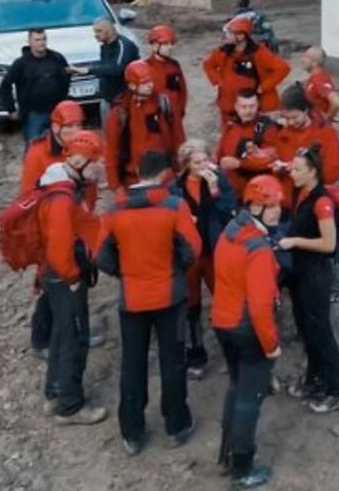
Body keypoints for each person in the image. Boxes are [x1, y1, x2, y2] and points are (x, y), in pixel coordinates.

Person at [98, 150, 201, 456]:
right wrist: (175, 271)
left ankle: (132, 432)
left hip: (133, 297)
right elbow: (192, 248)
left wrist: (125, 273)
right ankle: (176, 425)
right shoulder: (174, 206)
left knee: (133, 363)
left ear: (138, 173)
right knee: (173, 361)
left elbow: (102, 256)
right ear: (164, 174)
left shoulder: (114, 209)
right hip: (170, 296)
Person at [213, 175, 283, 488]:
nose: (277, 211)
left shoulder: (229, 234)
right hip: (247, 328)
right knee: (249, 398)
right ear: (255, 206)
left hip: (223, 322)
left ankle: (226, 453)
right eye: (272, 206)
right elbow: (260, 306)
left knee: (235, 387)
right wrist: (271, 346)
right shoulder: (259, 250)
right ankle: (242, 466)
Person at [36, 131, 107, 425]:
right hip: (65, 277)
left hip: (54, 276)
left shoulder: (57, 187)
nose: (98, 171)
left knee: (61, 334)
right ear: (78, 161)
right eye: (95, 164)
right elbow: (60, 245)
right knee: (75, 338)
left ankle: (55, 392)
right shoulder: (64, 200)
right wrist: (73, 276)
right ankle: (70, 405)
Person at [24, 100, 102, 359]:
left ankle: (76, 330)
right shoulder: (38, 154)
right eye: (69, 126)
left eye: (79, 124)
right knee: (55, 280)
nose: (75, 130)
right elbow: (28, 195)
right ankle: (44, 337)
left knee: (77, 277)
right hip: (52, 224)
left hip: (77, 221)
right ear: (56, 127)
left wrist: (87, 213)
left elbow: (89, 185)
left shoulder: (82, 147)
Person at [279, 145, 339, 414]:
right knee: (307, 328)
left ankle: (337, 388)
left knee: (320, 330)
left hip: (316, 273)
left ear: (312, 172)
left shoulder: (321, 202)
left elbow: (329, 244)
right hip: (300, 271)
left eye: (297, 169)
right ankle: (314, 377)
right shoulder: (301, 192)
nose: (292, 172)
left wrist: (294, 240)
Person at [175, 139, 236, 378]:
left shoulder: (219, 180)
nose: (204, 166)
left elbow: (230, 211)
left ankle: (232, 352)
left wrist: (214, 192)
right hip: (190, 254)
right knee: (191, 305)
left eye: (206, 160)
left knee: (223, 299)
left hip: (213, 250)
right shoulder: (177, 186)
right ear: (187, 164)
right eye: (197, 162)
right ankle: (196, 354)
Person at [104, 60, 183, 192]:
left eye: (151, 81)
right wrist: (115, 185)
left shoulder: (164, 103)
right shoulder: (120, 113)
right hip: (134, 180)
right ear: (132, 85)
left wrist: (182, 167)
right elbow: (112, 150)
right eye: (144, 83)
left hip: (165, 176)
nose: (150, 86)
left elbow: (178, 136)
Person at [203, 17, 290, 124]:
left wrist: (264, 87)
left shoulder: (259, 53)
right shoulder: (223, 52)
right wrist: (217, 81)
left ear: (242, 36)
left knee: (258, 133)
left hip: (255, 107)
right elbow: (208, 65)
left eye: (231, 33)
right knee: (231, 134)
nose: (227, 36)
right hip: (229, 107)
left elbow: (283, 68)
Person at [1, 28, 71, 145]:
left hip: (57, 112)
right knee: (34, 147)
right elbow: (5, 85)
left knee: (60, 146)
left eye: (44, 39)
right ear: (29, 42)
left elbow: (66, 78)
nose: (42, 42)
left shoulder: (57, 58)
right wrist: (11, 109)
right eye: (37, 40)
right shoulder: (21, 63)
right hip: (33, 114)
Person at [280, 85, 339, 187]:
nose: (291, 122)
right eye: (286, 118)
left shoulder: (325, 132)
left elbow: (334, 171)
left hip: (316, 188)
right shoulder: (283, 131)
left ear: (306, 110)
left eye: (294, 117)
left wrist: (302, 174)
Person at [82, 17, 140, 125]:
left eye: (99, 31)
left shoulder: (124, 46)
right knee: (109, 133)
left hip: (124, 99)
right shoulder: (105, 46)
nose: (96, 35)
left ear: (109, 30)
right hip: (108, 98)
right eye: (95, 31)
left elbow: (117, 69)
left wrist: (89, 69)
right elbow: (105, 67)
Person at [146, 24, 188, 121]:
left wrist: (180, 110)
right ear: (155, 46)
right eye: (165, 44)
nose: (170, 47)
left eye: (171, 43)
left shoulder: (174, 66)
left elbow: (182, 91)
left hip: (174, 117)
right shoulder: (145, 67)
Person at [300, 47, 339, 123]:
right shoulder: (317, 77)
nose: (302, 60)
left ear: (315, 63)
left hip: (318, 126)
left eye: (306, 57)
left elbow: (337, 103)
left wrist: (326, 120)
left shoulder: (319, 80)